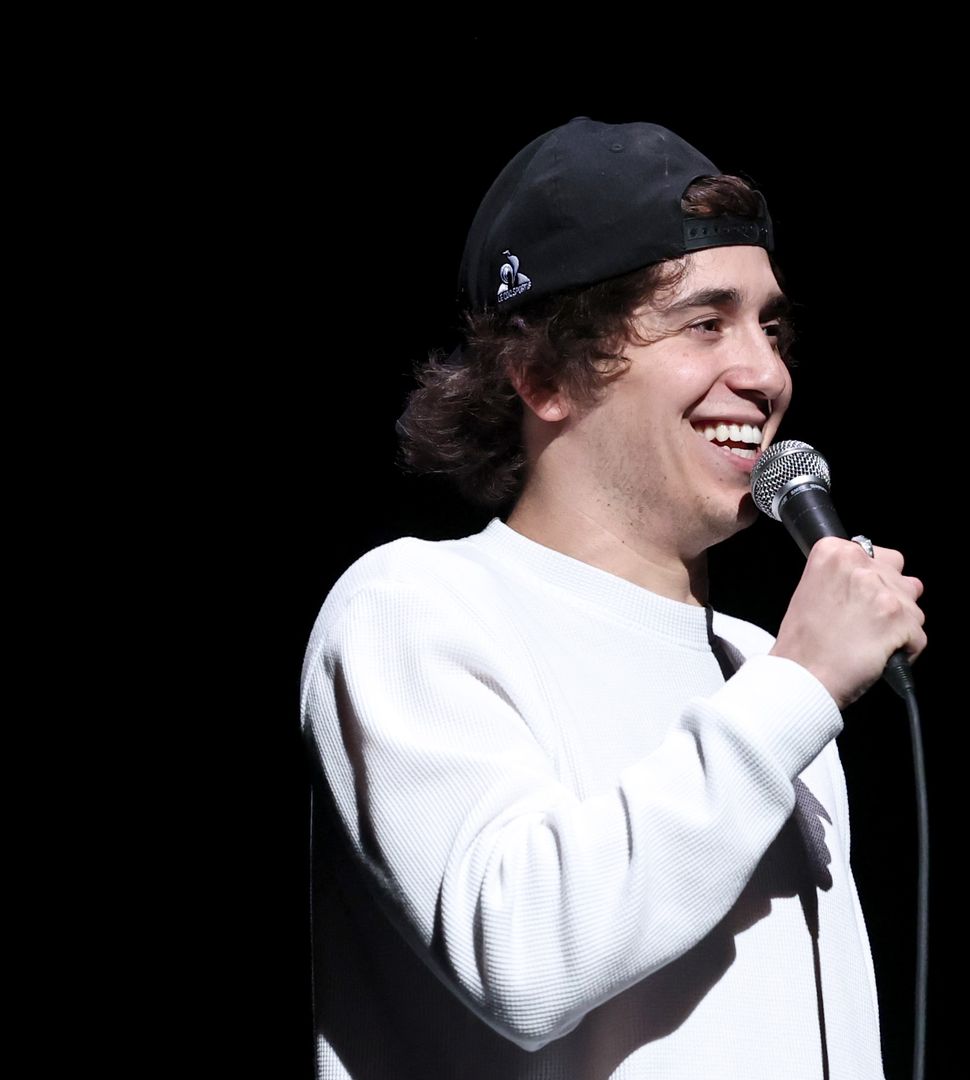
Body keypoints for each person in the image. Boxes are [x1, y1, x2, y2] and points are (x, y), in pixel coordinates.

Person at [301, 116, 927, 1079]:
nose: (766, 374)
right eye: (706, 323)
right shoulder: (415, 607)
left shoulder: (762, 668)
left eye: (770, 327)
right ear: (544, 374)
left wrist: (790, 682)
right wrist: (799, 686)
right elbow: (521, 954)